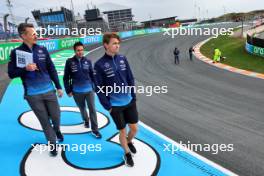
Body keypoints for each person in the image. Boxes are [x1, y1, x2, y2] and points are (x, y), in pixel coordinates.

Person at [8, 23, 63, 156]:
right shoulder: (16, 53)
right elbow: (11, 73)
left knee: (56, 117)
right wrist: (25, 69)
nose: (36, 35)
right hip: (33, 95)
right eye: (32, 33)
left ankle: (57, 129)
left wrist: (58, 87)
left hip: (49, 91)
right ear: (23, 36)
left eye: (35, 33)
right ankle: (52, 144)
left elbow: (52, 69)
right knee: (44, 121)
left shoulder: (42, 49)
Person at [94, 33, 138, 167]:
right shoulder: (99, 64)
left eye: (118, 43)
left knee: (134, 129)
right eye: (114, 43)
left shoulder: (123, 58)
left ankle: (129, 142)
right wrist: (108, 106)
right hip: (115, 105)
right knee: (122, 131)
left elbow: (130, 78)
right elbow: (98, 88)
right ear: (106, 45)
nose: (117, 45)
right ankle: (126, 153)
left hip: (129, 101)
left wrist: (133, 95)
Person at [63, 42, 102, 139]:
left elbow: (92, 75)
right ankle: (86, 120)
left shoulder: (88, 61)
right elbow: (65, 78)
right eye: (78, 50)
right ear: (75, 51)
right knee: (82, 108)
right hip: (76, 91)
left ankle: (95, 130)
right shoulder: (69, 62)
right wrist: (68, 90)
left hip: (89, 90)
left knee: (92, 109)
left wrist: (95, 87)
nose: (80, 52)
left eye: (81, 50)